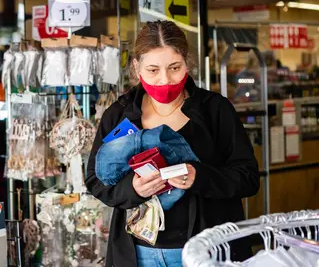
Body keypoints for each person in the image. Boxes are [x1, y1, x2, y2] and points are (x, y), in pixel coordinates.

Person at [85, 20, 260, 267]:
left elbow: (248, 177)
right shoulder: (119, 115)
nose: (165, 80)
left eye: (174, 68)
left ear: (187, 63)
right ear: (136, 67)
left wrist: (199, 177)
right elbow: (95, 180)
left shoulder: (214, 111)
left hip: (205, 252)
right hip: (138, 253)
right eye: (153, 70)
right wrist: (133, 189)